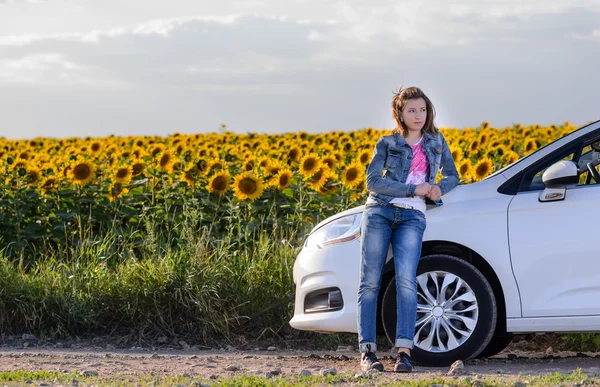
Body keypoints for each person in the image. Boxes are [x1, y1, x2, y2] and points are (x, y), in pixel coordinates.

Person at [357, 86, 459, 372]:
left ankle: (404, 352)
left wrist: (439, 188)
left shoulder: (436, 141)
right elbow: (373, 182)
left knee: (406, 280)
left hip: (413, 216)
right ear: (400, 114)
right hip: (380, 210)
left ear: (429, 112)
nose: (418, 115)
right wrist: (414, 188)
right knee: (370, 282)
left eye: (422, 110)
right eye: (411, 110)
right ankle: (368, 352)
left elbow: (453, 175)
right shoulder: (387, 143)